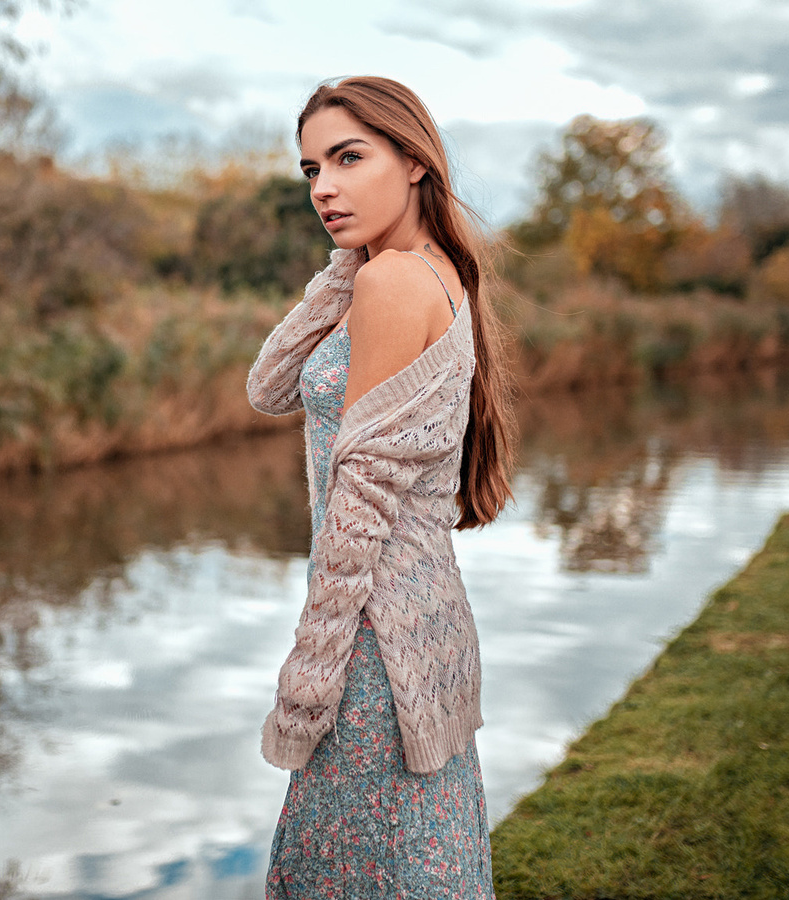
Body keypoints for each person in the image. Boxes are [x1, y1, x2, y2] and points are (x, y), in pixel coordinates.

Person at [246, 75, 515, 898]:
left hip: (371, 646)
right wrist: (346, 263)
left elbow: (356, 513)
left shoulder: (394, 284)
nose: (324, 187)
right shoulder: (413, 273)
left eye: (349, 157)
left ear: (414, 162)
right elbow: (270, 385)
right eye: (310, 170)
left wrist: (307, 680)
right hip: (419, 625)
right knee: (410, 863)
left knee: (362, 874)